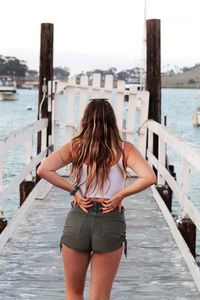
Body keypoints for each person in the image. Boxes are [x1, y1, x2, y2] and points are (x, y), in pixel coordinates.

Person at [37, 98, 156, 300]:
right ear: (112, 121)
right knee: (100, 297)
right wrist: (121, 194)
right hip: (110, 218)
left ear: (86, 120)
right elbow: (149, 177)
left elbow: (43, 169)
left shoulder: (76, 146)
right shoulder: (124, 149)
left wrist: (74, 190)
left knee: (73, 292)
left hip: (79, 216)